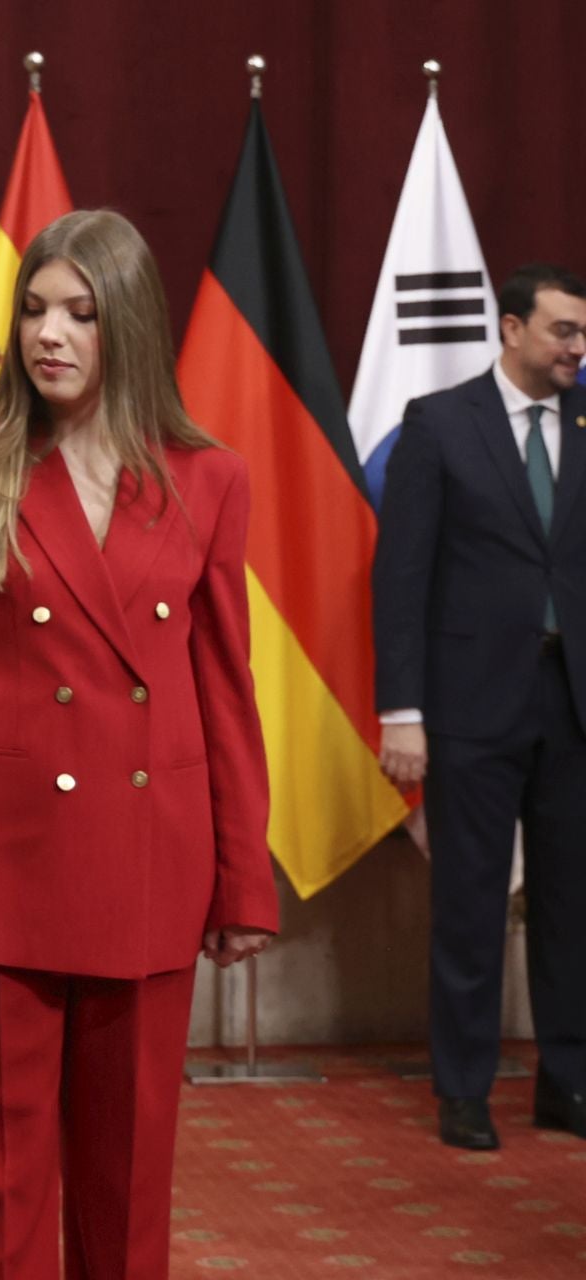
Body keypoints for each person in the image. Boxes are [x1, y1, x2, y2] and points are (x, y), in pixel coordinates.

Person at [0, 209, 279, 1279]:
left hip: (149, 869)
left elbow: (225, 689)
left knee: (129, 1197)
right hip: (0, 880)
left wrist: (244, 878)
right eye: (37, 310)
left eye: (80, 313)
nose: (50, 333)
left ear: (129, 325)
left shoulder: (208, 480)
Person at [372, 263, 586, 1151]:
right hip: (467, 704)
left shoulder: (584, 418)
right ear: (510, 329)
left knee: (574, 906)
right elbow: (403, 579)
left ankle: (566, 1083)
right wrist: (401, 710)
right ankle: (462, 1088)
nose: (578, 348)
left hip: (571, 701)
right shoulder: (440, 424)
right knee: (468, 903)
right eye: (563, 331)